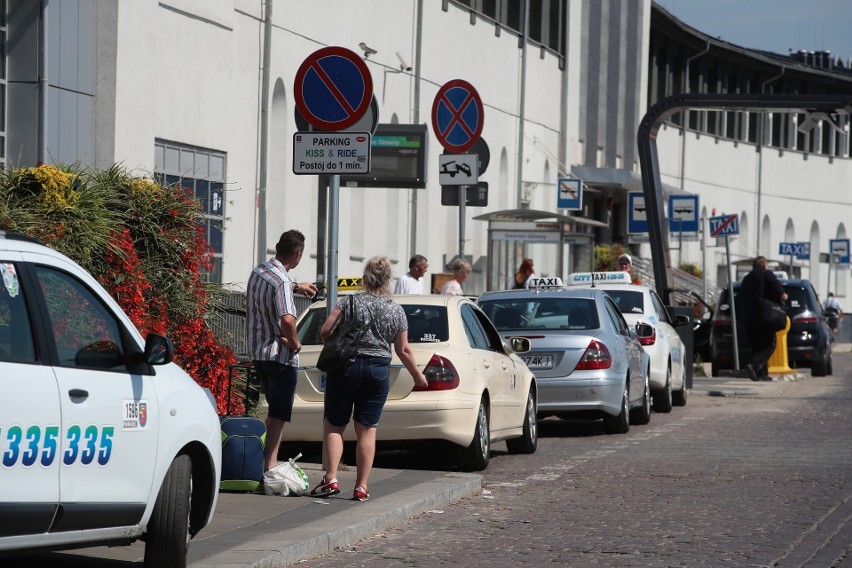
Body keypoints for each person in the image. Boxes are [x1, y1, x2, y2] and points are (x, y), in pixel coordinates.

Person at [311, 256, 428, 501]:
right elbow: (403, 349)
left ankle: (331, 478)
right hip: (377, 371)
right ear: (388, 280)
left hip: (346, 368)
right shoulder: (396, 310)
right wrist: (417, 375)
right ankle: (361, 486)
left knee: (334, 425)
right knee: (366, 430)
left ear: (365, 277)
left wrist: (335, 348)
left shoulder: (350, 301)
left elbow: (325, 330)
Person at [246, 230, 318, 471]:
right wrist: (295, 342)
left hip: (257, 352)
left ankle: (259, 460)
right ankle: (269, 466)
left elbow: (276, 285)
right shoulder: (282, 282)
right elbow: (287, 320)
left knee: (268, 410)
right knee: (278, 414)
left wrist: (298, 286)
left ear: (278, 247)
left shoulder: (259, 270)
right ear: (298, 255)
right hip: (279, 356)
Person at [739, 255, 788, 382]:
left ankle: (761, 374)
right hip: (764, 316)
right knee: (769, 345)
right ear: (764, 265)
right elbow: (782, 294)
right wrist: (785, 296)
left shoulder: (746, 279)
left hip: (748, 318)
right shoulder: (767, 274)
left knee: (757, 346)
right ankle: (754, 365)